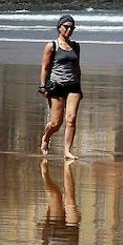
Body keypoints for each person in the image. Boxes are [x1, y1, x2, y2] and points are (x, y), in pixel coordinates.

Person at [39, 14, 82, 159]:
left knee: (71, 118)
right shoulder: (52, 46)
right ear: (59, 28)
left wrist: (79, 85)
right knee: (56, 123)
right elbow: (45, 67)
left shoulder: (76, 46)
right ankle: (46, 136)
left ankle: (67, 151)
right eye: (66, 27)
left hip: (74, 86)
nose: (69, 30)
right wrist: (43, 87)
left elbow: (77, 67)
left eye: (72, 28)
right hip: (56, 86)